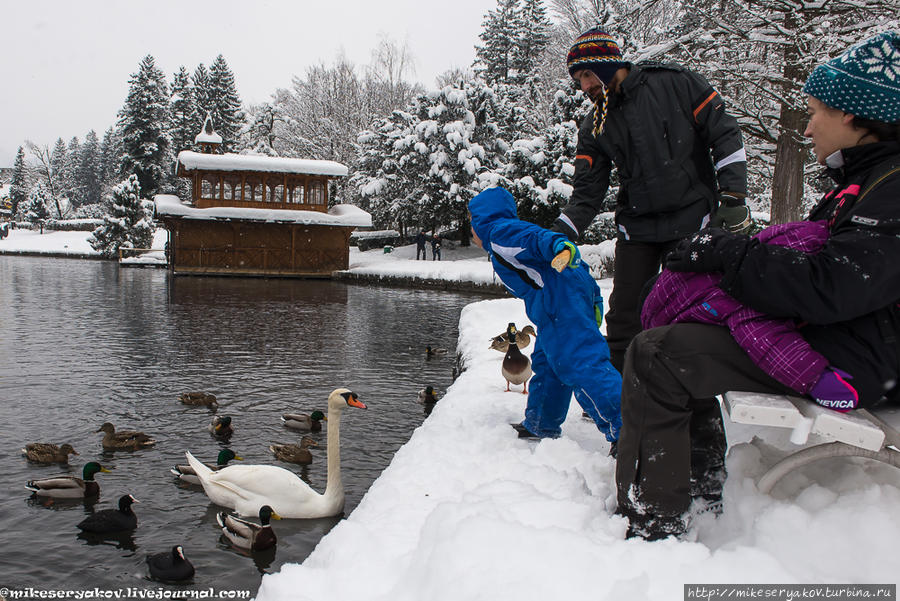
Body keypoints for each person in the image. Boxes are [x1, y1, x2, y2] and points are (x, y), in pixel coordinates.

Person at [615, 31, 900, 541]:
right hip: (855, 339)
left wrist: (725, 252)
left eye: (817, 112)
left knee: (659, 354)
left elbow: (832, 285)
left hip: (866, 358)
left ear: (856, 116)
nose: (808, 127)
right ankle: (694, 489)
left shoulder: (893, 187)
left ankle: (655, 523)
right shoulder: (869, 180)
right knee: (669, 342)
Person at [555, 27, 751, 373]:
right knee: (624, 317)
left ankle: (693, 407)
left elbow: (725, 133)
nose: (583, 86)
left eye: (587, 74)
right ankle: (619, 398)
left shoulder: (676, 84)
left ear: (607, 63)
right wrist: (558, 233)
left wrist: (733, 197)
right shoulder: (594, 125)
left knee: (687, 314)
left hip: (693, 218)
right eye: (578, 79)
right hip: (638, 227)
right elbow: (588, 191)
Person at [642, 219, 858, 412]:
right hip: (824, 245)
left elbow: (767, 339)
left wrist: (817, 380)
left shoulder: (732, 294)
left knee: (664, 356)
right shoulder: (743, 255)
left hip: (812, 272)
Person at [469, 186, 621, 444]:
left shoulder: (500, 232)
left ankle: (627, 428)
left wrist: (558, 243)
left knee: (580, 363)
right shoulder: (501, 238)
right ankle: (541, 422)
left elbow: (536, 238)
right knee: (549, 362)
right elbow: (578, 269)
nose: (470, 229)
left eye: (472, 222)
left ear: (481, 219)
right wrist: (593, 298)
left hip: (560, 302)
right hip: (562, 300)